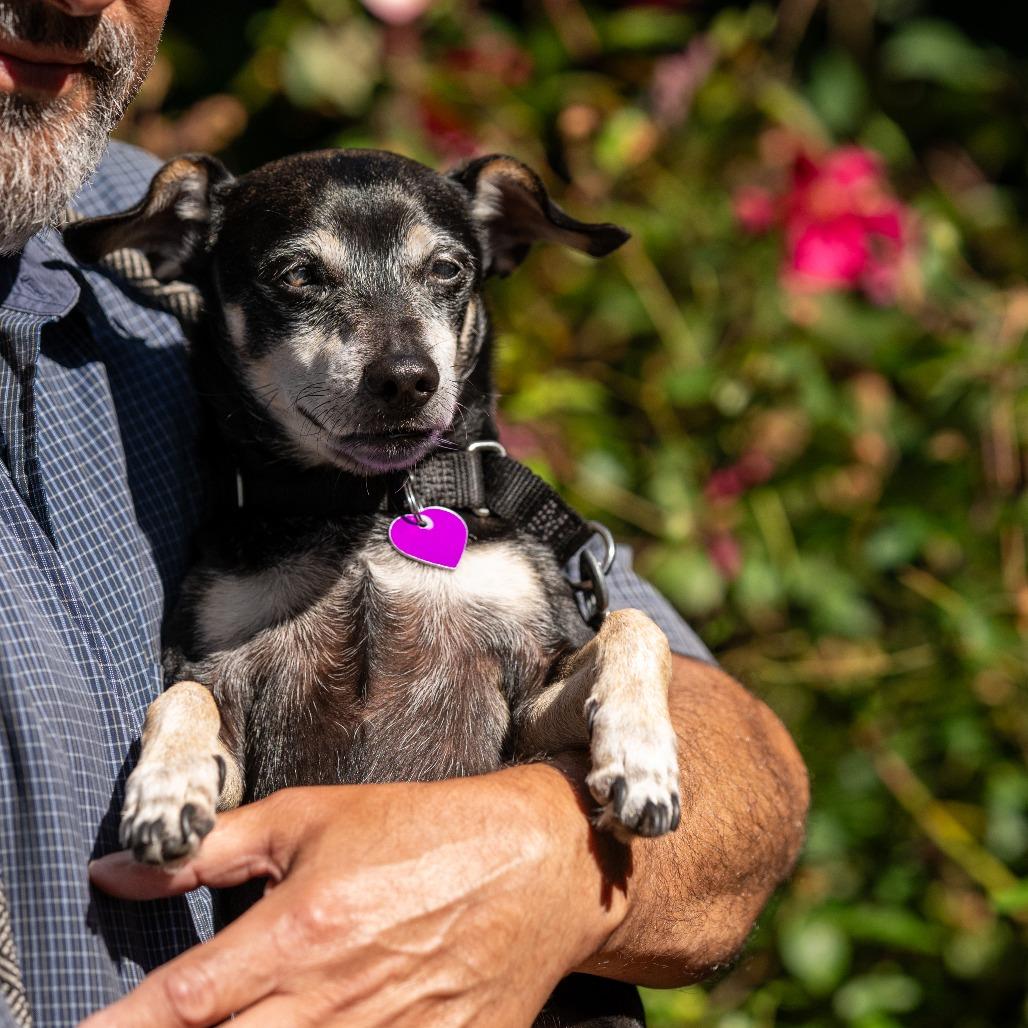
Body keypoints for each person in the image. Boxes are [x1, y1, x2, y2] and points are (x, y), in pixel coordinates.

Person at [0, 1, 809, 1025]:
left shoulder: (434, 476)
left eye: (440, 278)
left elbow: (748, 770)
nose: (401, 363)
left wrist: (537, 867)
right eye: (303, 280)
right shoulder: (197, 241)